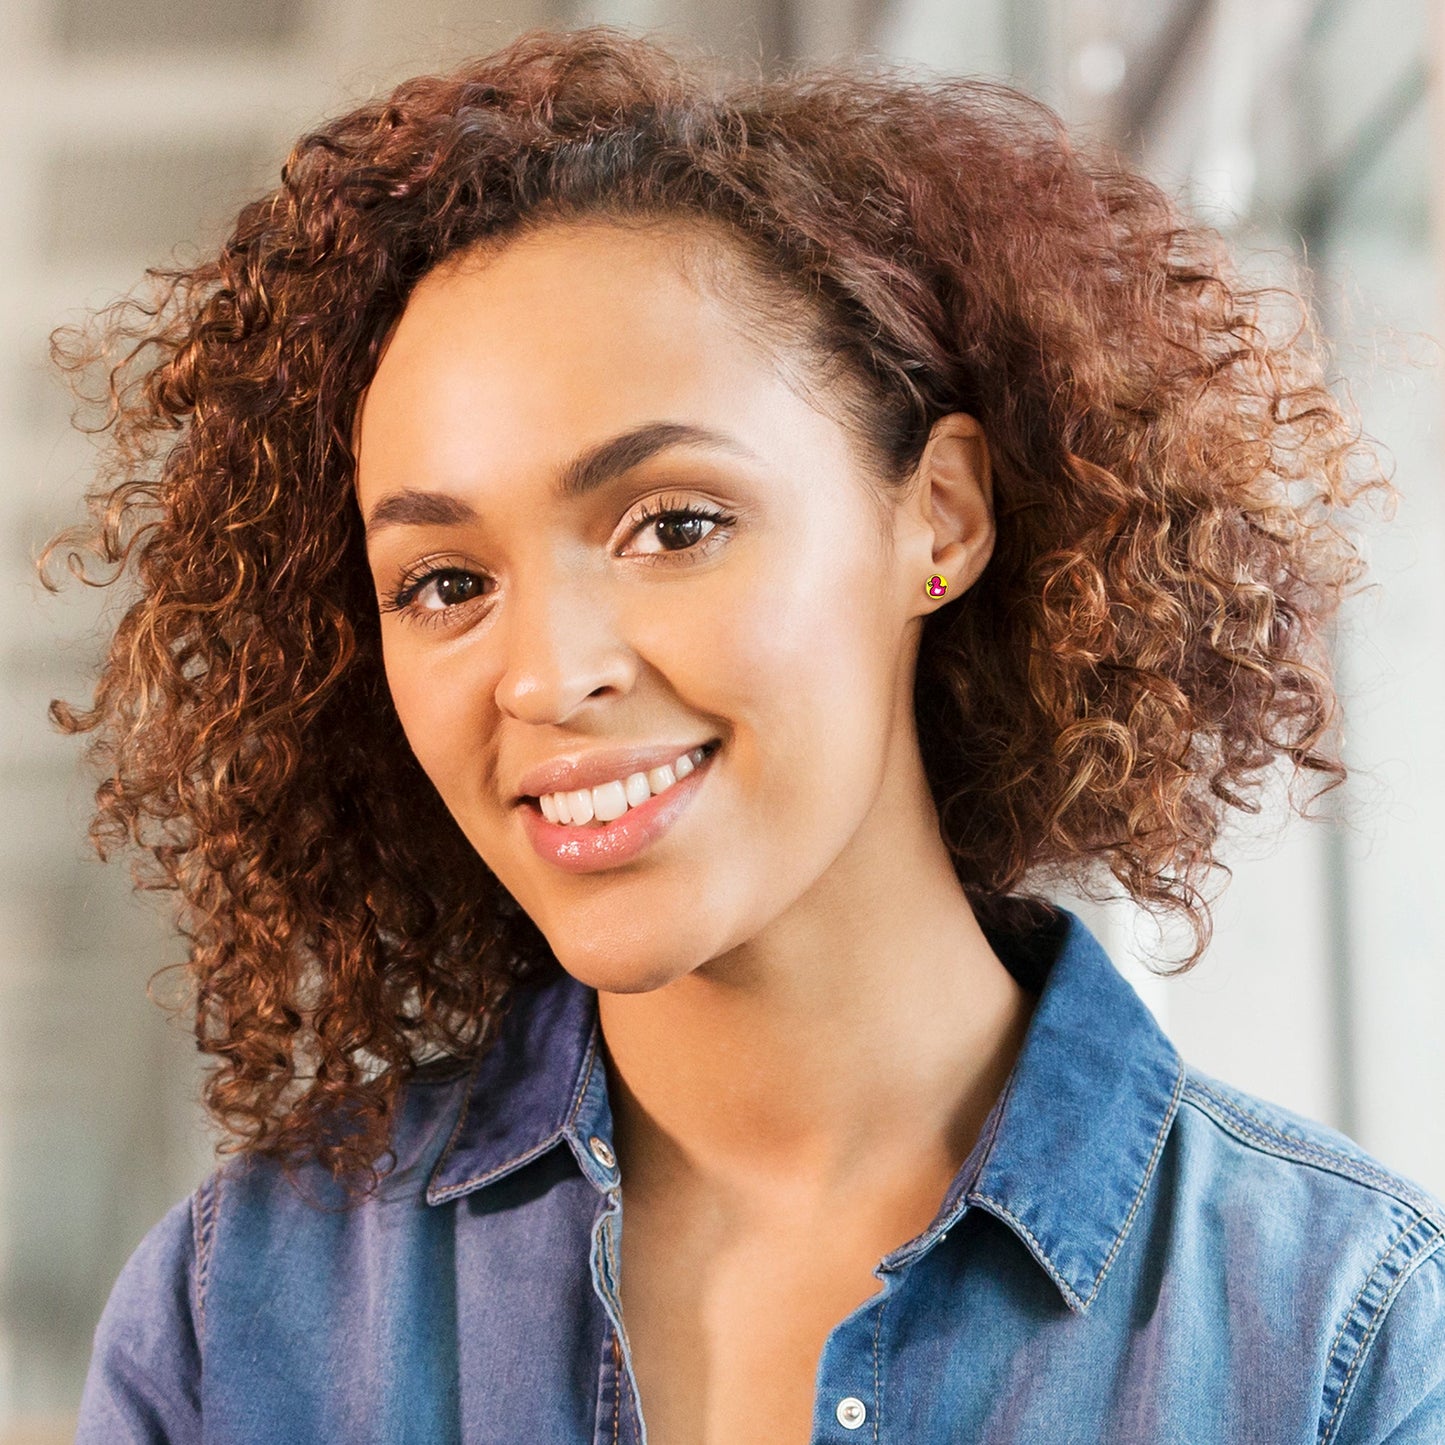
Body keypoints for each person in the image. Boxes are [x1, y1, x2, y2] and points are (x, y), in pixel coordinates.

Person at [51, 23, 1443, 1445]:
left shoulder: (1334, 1332)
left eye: (673, 524)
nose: (545, 674)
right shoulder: (242, 1317)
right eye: (446, 583)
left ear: (940, 518)